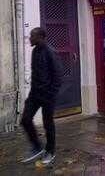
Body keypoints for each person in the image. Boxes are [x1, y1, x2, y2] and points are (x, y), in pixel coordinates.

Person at [21, 28, 62, 166]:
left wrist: (51, 94)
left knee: (47, 123)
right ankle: (37, 147)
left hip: (48, 95)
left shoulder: (50, 52)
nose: (30, 38)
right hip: (35, 94)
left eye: (32, 36)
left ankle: (50, 151)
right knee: (25, 119)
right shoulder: (35, 51)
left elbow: (58, 76)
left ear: (41, 37)